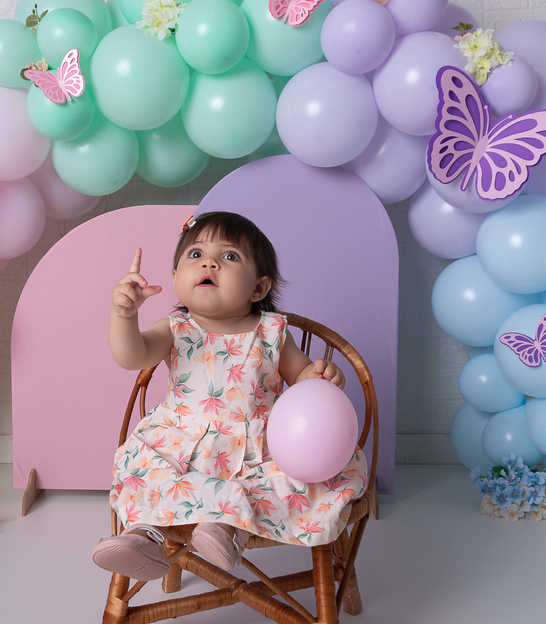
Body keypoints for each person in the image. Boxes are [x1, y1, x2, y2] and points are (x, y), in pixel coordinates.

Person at [92, 211, 368, 582]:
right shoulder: (175, 329)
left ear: (258, 288)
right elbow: (132, 357)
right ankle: (144, 536)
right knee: (154, 472)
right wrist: (124, 315)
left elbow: (302, 378)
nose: (209, 263)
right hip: (184, 442)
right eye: (196, 255)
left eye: (230, 256)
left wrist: (320, 378)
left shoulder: (272, 332)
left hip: (256, 447)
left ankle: (226, 528)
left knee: (280, 481)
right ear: (175, 278)